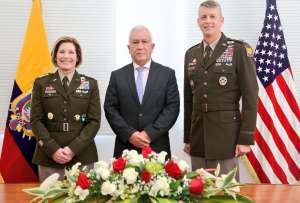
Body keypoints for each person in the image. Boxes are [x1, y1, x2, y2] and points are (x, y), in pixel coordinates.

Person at [184, 0, 258, 179]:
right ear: (198, 21)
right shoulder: (191, 54)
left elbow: (250, 96)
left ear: (221, 20)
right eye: (203, 17)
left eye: (212, 17)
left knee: (226, 192)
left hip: (227, 136)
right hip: (198, 136)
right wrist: (188, 138)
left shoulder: (238, 50)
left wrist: (245, 139)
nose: (208, 21)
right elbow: (189, 100)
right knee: (198, 190)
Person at [30, 36, 101, 181]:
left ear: (77, 57)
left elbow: (94, 122)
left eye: (71, 52)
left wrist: (72, 149)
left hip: (82, 156)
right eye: (61, 52)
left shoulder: (90, 84)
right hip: (49, 157)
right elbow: (36, 120)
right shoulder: (41, 83)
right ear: (55, 56)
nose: (66, 56)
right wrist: (53, 150)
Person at [104, 25, 180, 158]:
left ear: (152, 46)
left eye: (144, 42)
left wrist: (149, 134)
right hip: (125, 149)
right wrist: (130, 134)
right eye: (135, 42)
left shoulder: (167, 74)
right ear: (129, 48)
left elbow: (172, 108)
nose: (140, 46)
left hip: (157, 148)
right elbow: (110, 109)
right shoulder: (117, 76)